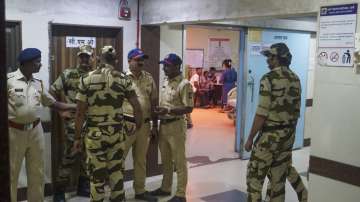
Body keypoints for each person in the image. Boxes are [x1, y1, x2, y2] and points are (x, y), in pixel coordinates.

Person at [73, 46, 143, 202]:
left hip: (94, 135)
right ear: (116, 60)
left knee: (97, 177)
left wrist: (77, 138)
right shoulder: (124, 79)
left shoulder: (86, 79)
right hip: (117, 134)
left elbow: (79, 113)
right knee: (116, 173)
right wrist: (137, 127)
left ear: (98, 58)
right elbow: (137, 107)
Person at [8, 48, 75, 202]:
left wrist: (76, 106)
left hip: (35, 130)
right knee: (11, 173)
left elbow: (54, 103)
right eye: (37, 61)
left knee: (37, 172)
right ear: (27, 63)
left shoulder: (38, 84)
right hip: (13, 131)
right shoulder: (9, 80)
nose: (40, 64)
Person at [245, 43, 306, 202]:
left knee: (254, 179)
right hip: (288, 137)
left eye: (270, 57)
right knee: (278, 181)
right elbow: (295, 111)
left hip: (269, 139)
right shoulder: (296, 79)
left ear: (278, 58)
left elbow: (262, 113)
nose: (267, 60)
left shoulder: (268, 78)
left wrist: (251, 137)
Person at [50, 44, 94, 201]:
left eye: (87, 56)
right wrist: (61, 110)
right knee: (70, 156)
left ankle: (83, 186)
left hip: (92, 121)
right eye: (82, 56)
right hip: (73, 123)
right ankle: (60, 191)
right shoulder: (68, 74)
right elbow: (51, 92)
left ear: (92, 58)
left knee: (88, 156)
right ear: (78, 57)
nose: (84, 59)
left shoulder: (96, 76)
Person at [149, 53, 194, 202]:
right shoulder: (166, 81)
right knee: (166, 160)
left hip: (176, 126)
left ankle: (181, 195)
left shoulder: (184, 84)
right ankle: (165, 188)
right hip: (164, 126)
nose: (164, 68)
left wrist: (168, 111)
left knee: (179, 162)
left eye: (167, 66)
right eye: (164, 65)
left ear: (176, 66)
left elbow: (189, 108)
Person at [122, 48, 158, 202]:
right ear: (129, 61)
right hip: (126, 125)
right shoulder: (121, 78)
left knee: (141, 159)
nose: (141, 62)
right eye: (137, 59)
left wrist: (155, 125)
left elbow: (154, 102)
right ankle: (117, 193)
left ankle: (140, 191)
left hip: (144, 126)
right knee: (119, 160)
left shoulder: (149, 78)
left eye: (142, 59)